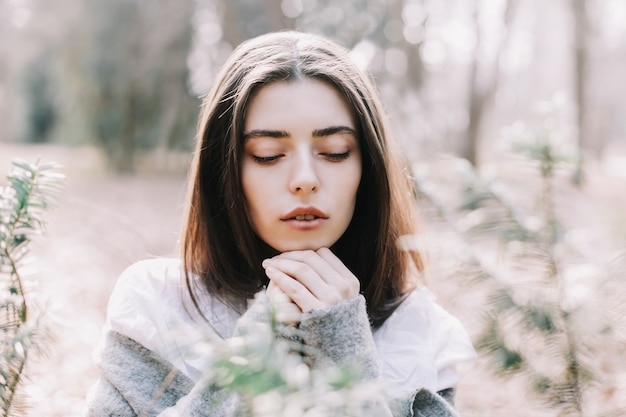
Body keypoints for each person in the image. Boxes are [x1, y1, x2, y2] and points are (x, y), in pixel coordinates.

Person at [86, 31, 476, 416]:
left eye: (334, 152)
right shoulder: (158, 305)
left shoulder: (418, 334)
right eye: (268, 154)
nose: (304, 179)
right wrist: (261, 341)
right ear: (224, 172)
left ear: (367, 168)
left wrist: (344, 346)